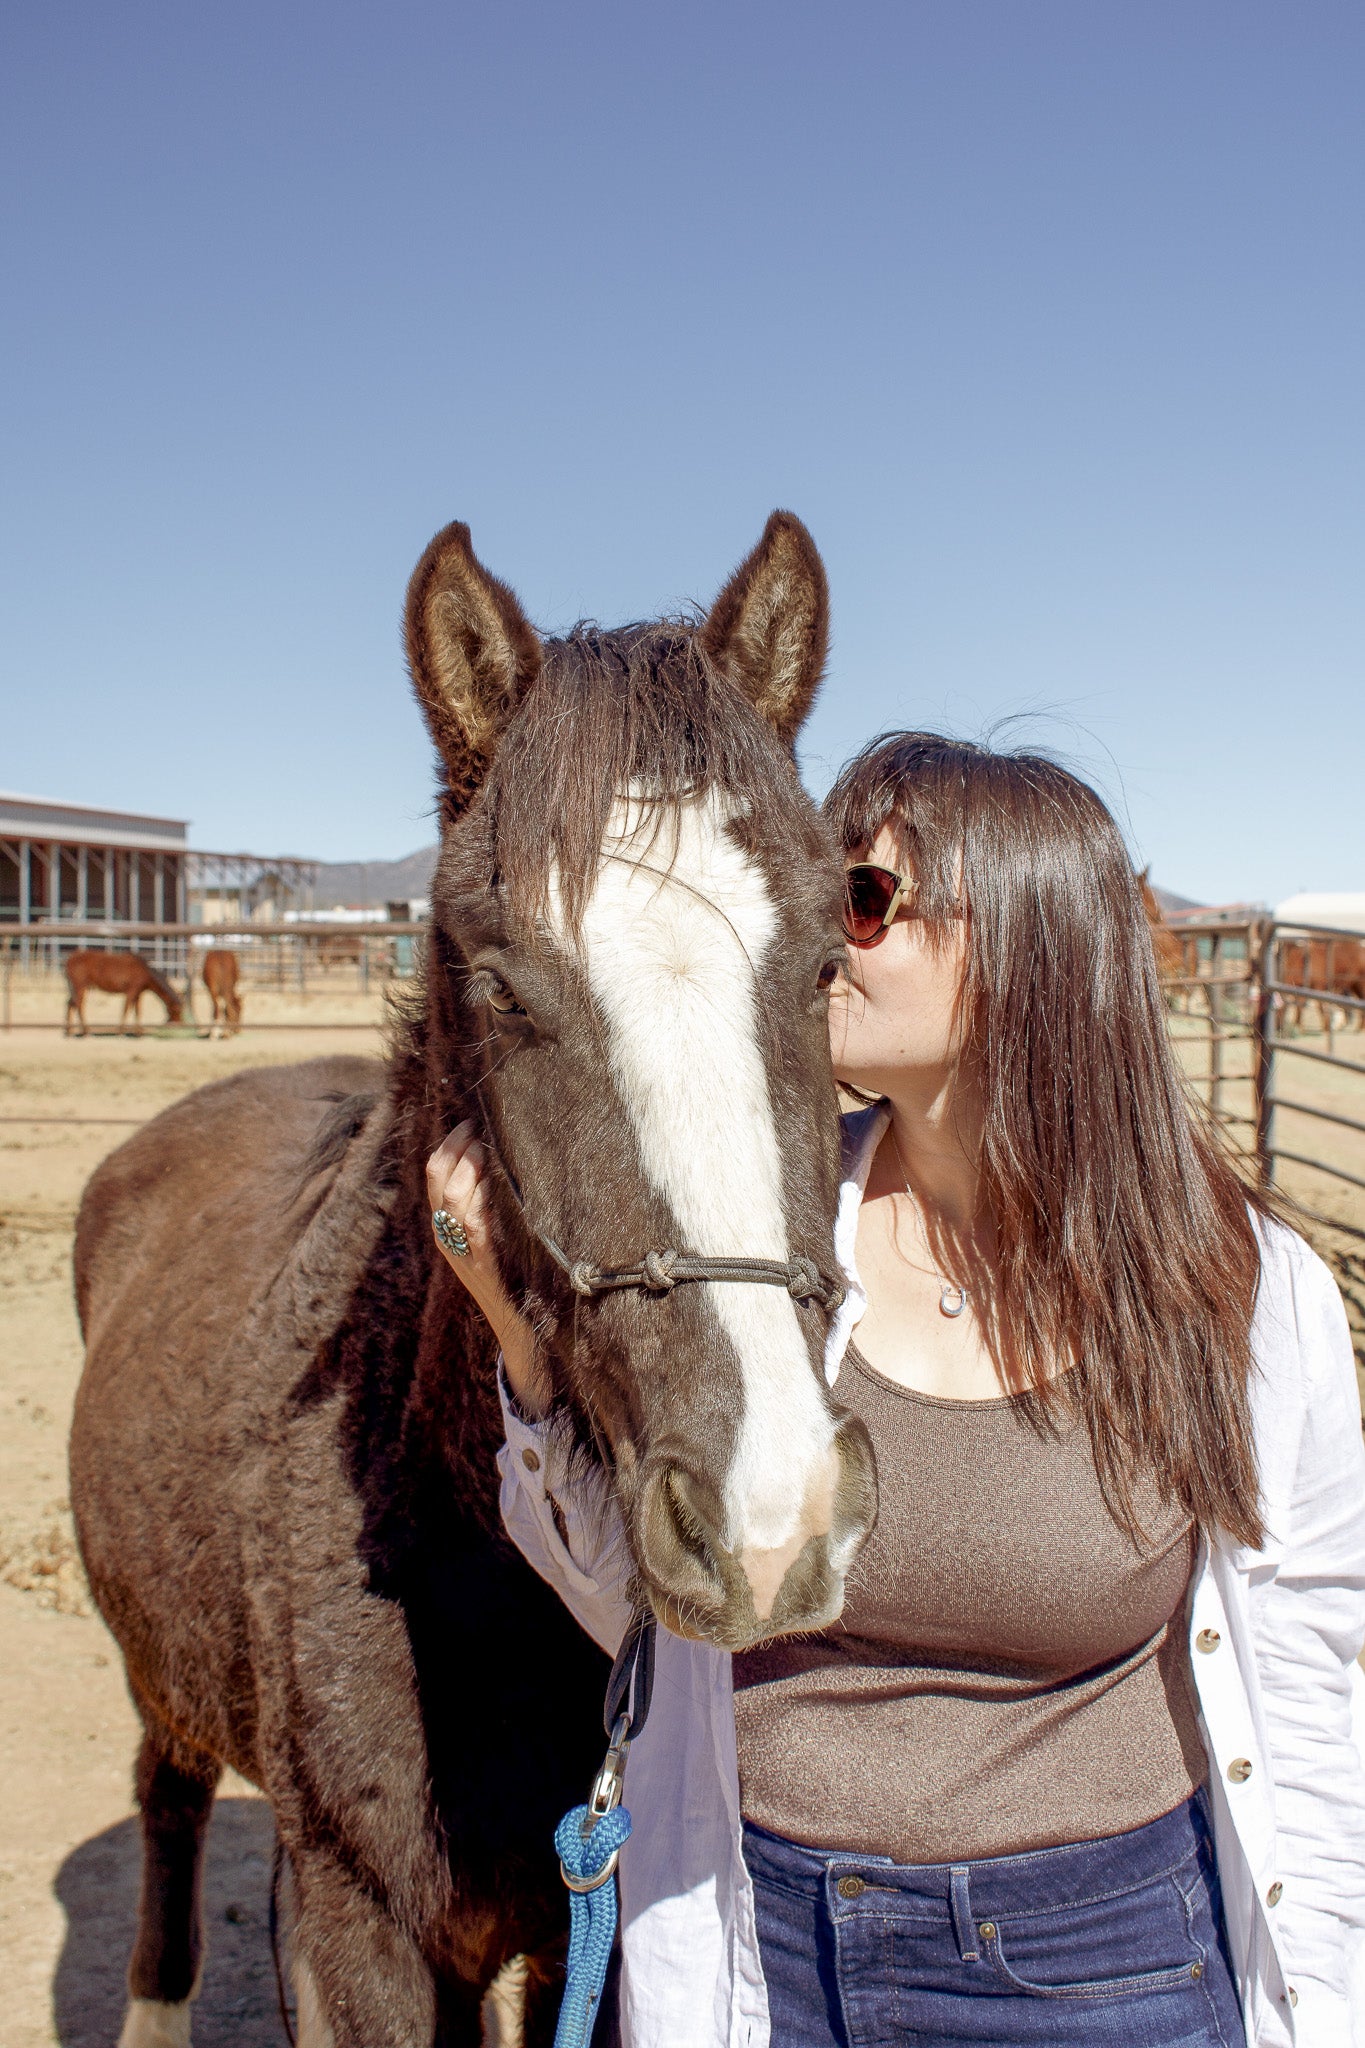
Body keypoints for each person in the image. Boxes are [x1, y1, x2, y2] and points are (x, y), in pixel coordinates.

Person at [427, 732, 1365, 2048]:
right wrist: (516, 1346)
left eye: (862, 900)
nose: (824, 931)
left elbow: (1309, 1670)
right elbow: (642, 1619)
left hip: (1105, 1967)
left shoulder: (1247, 1297)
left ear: (1031, 948)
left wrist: (1327, 2005)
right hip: (768, 1947)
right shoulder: (754, 1246)